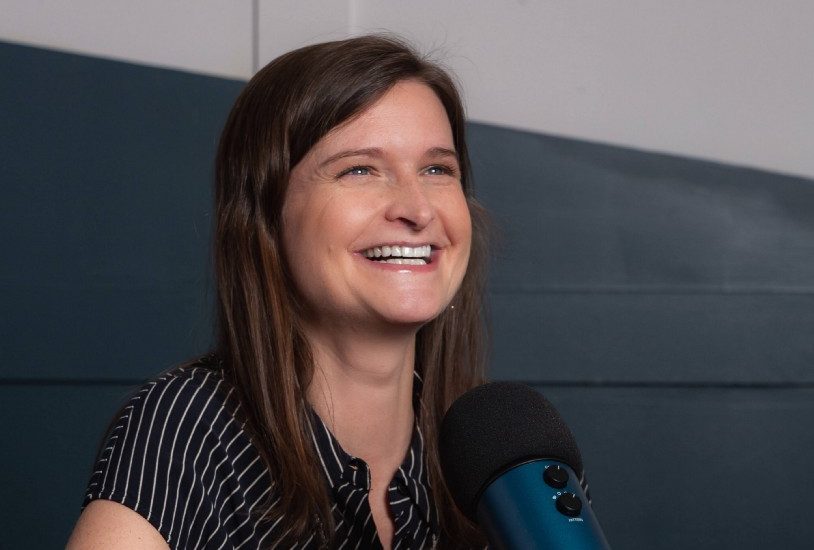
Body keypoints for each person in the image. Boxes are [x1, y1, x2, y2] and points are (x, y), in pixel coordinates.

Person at [66, 35, 490, 549]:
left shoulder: (494, 455)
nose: (418, 210)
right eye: (359, 169)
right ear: (266, 216)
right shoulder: (189, 427)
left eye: (437, 169)